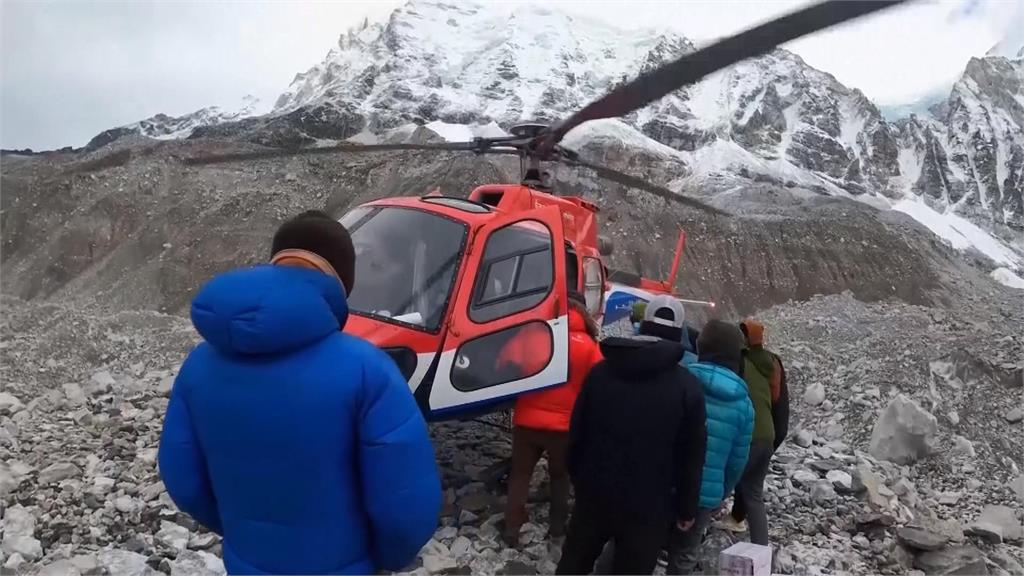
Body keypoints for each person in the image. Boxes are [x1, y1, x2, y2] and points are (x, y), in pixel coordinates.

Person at [158, 210, 442, 575]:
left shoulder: (198, 364)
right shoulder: (367, 368)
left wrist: (244, 535)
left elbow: (183, 480)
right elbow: (406, 507)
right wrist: (382, 559)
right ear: (343, 281)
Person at [557, 295, 706, 575]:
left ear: (643, 325)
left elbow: (577, 432)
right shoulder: (687, 387)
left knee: (573, 565)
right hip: (651, 505)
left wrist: (579, 478)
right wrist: (687, 508)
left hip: (594, 492)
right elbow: (692, 456)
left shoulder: (600, 372)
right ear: (679, 333)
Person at [502, 292, 603, 546]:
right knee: (560, 477)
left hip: (526, 421)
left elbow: (504, 361)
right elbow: (599, 385)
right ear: (583, 313)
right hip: (563, 428)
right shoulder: (589, 346)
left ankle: (512, 529)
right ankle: (557, 528)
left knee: (520, 475)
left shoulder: (532, 334)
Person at [666, 319, 754, 575]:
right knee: (685, 554)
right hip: (704, 496)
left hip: (665, 482)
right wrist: (721, 494)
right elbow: (737, 462)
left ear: (701, 347)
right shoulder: (744, 405)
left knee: (642, 543)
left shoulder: (680, 380)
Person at [716, 319, 790, 544]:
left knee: (717, 484)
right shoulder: (770, 363)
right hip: (768, 436)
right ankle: (761, 548)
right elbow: (780, 407)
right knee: (754, 495)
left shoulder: (740, 363)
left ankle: (690, 534)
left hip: (748, 435)